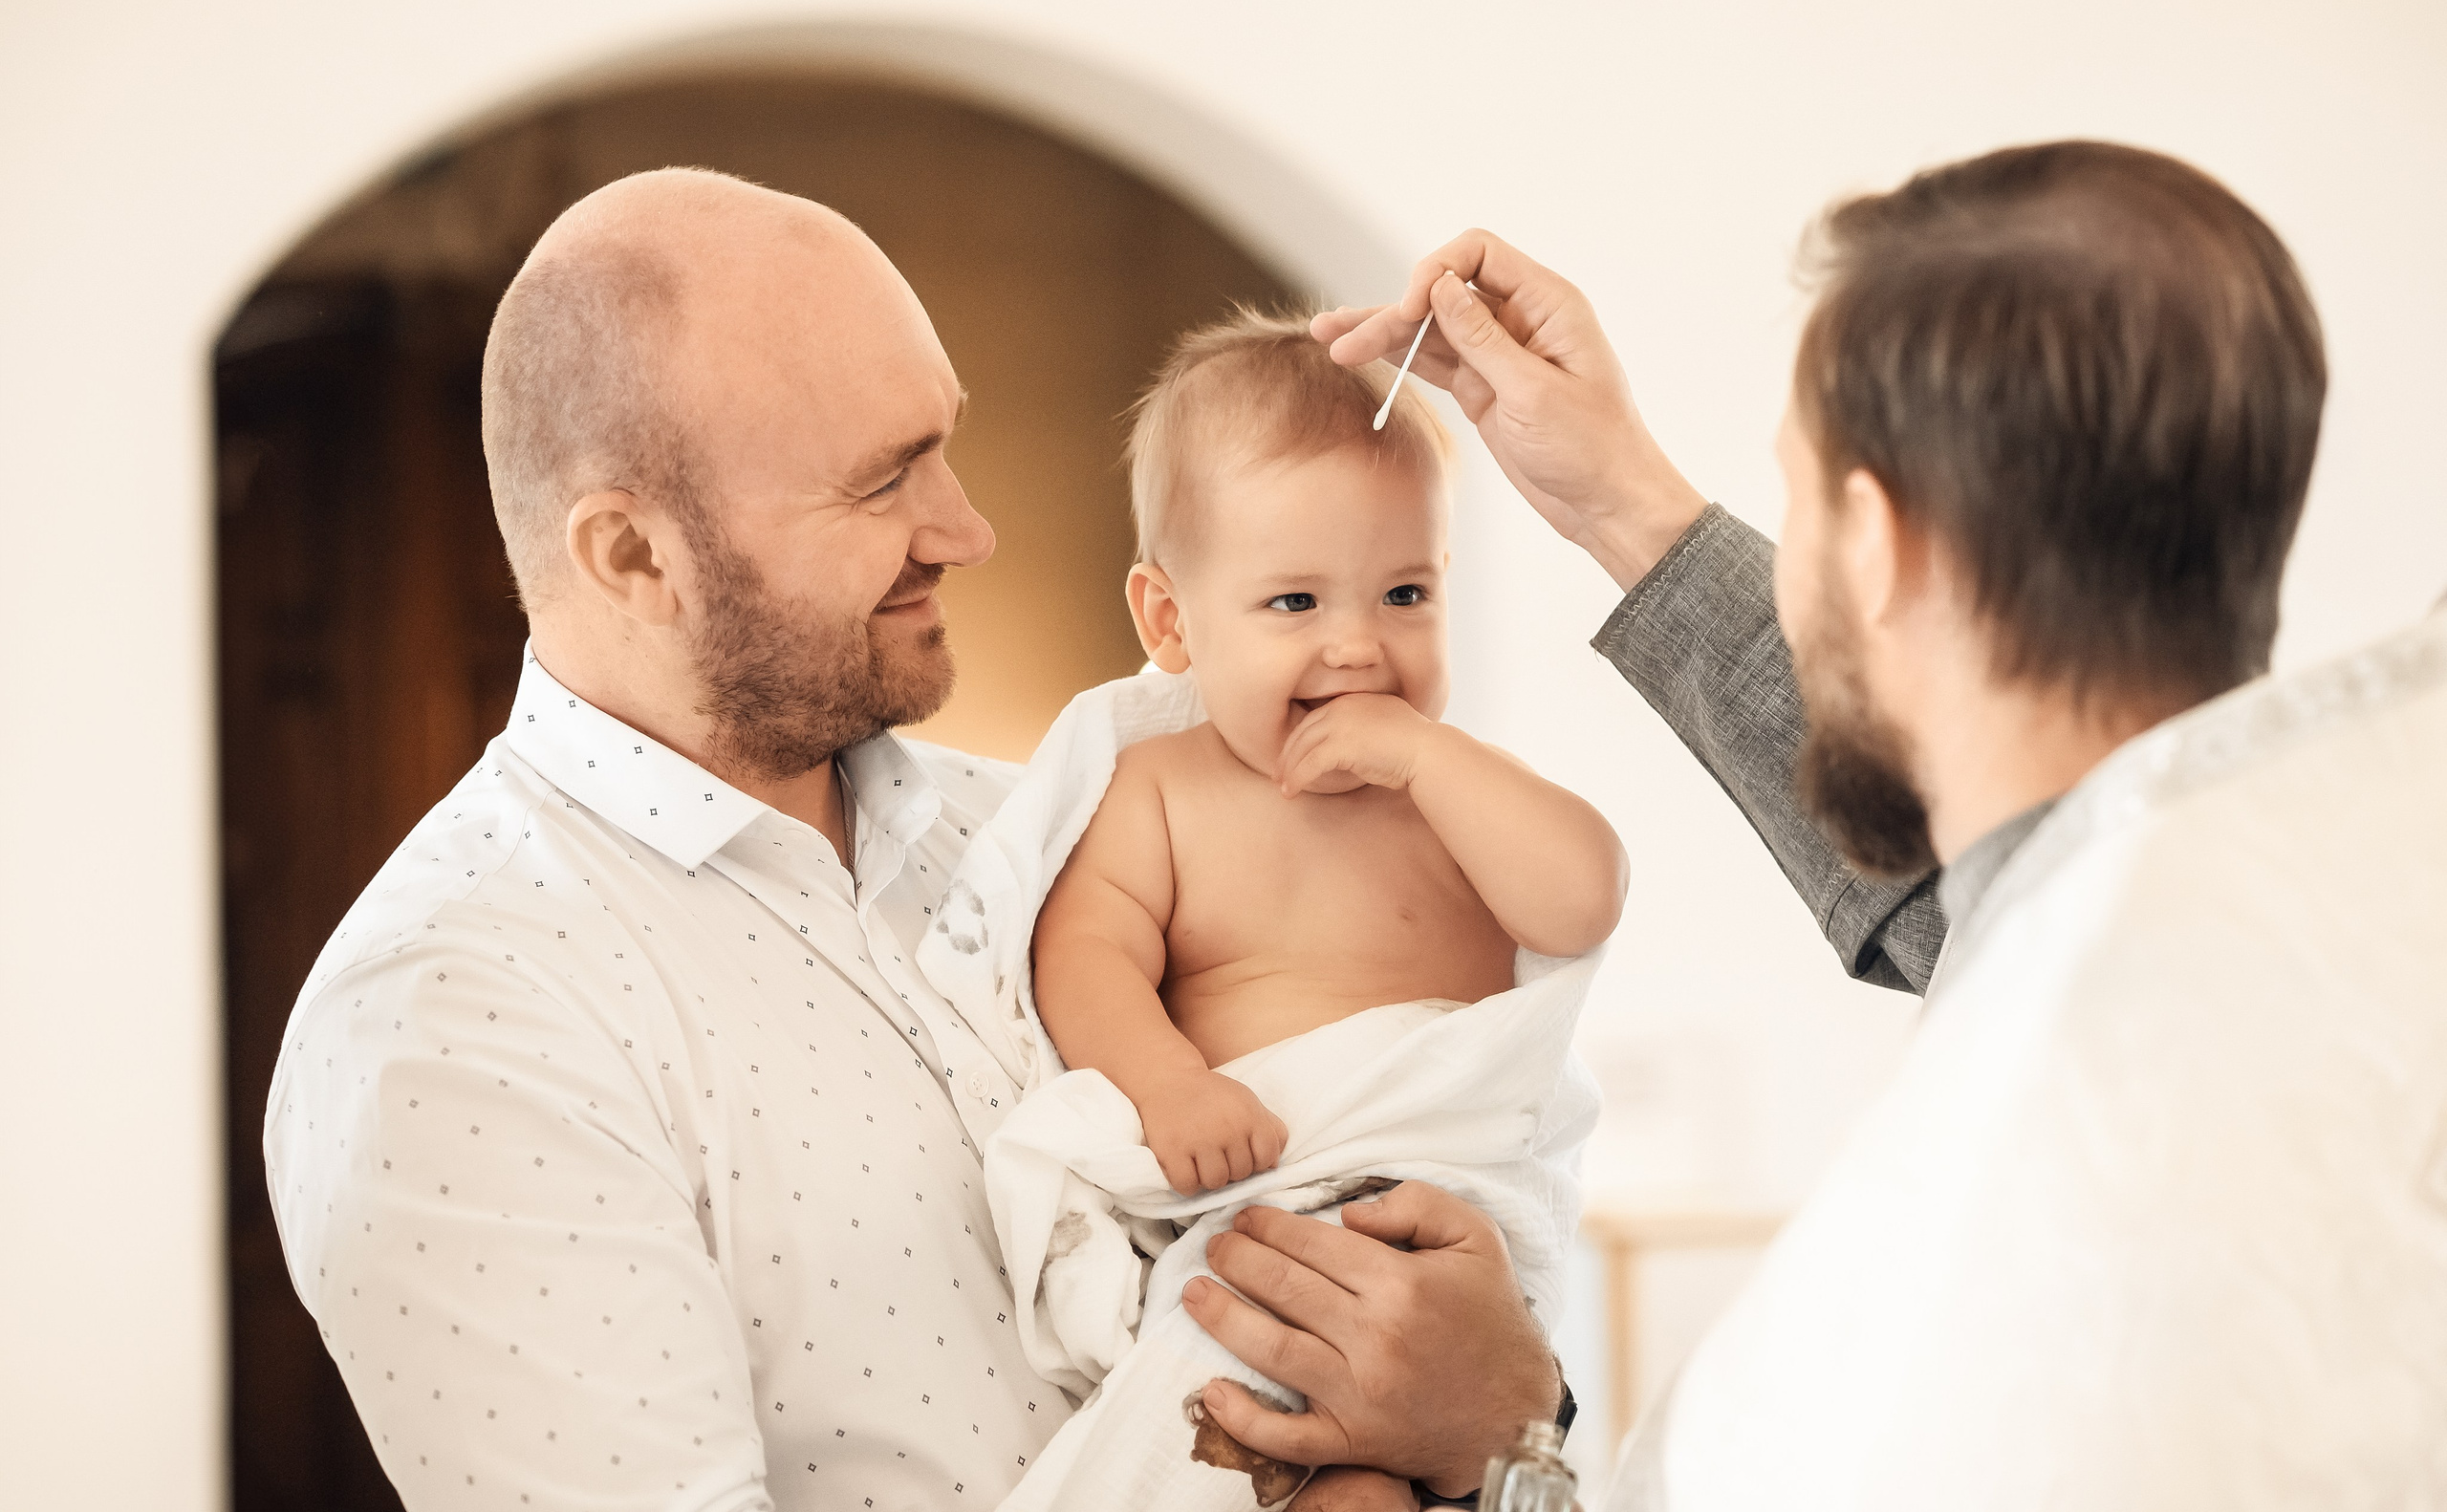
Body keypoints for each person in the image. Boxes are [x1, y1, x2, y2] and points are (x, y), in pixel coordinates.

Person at [260, 169, 1580, 1512]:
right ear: (633, 556)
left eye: (943, 446)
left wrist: (1509, 1414)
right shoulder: (456, 1017)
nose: (968, 528)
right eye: (883, 480)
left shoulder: (1046, 826)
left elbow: (1426, 1339)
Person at [1178, 142, 2439, 1501]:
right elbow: (1991, 899)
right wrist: (1617, 498)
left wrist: (1510, 1441)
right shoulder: (2344, 910)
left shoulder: (1953, 1244)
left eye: (1794, 498)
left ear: (1876, 543)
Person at [963, 311, 1623, 1510]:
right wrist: (1169, 1084)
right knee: (1277, 1456)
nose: (1358, 646)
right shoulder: (1159, 790)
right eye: (1294, 602)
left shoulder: (1453, 791)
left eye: (1404, 591)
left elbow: (1582, 899)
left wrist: (1428, 759)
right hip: (1263, 1214)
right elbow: (1084, 952)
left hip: (1440, 1224)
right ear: (1169, 620)